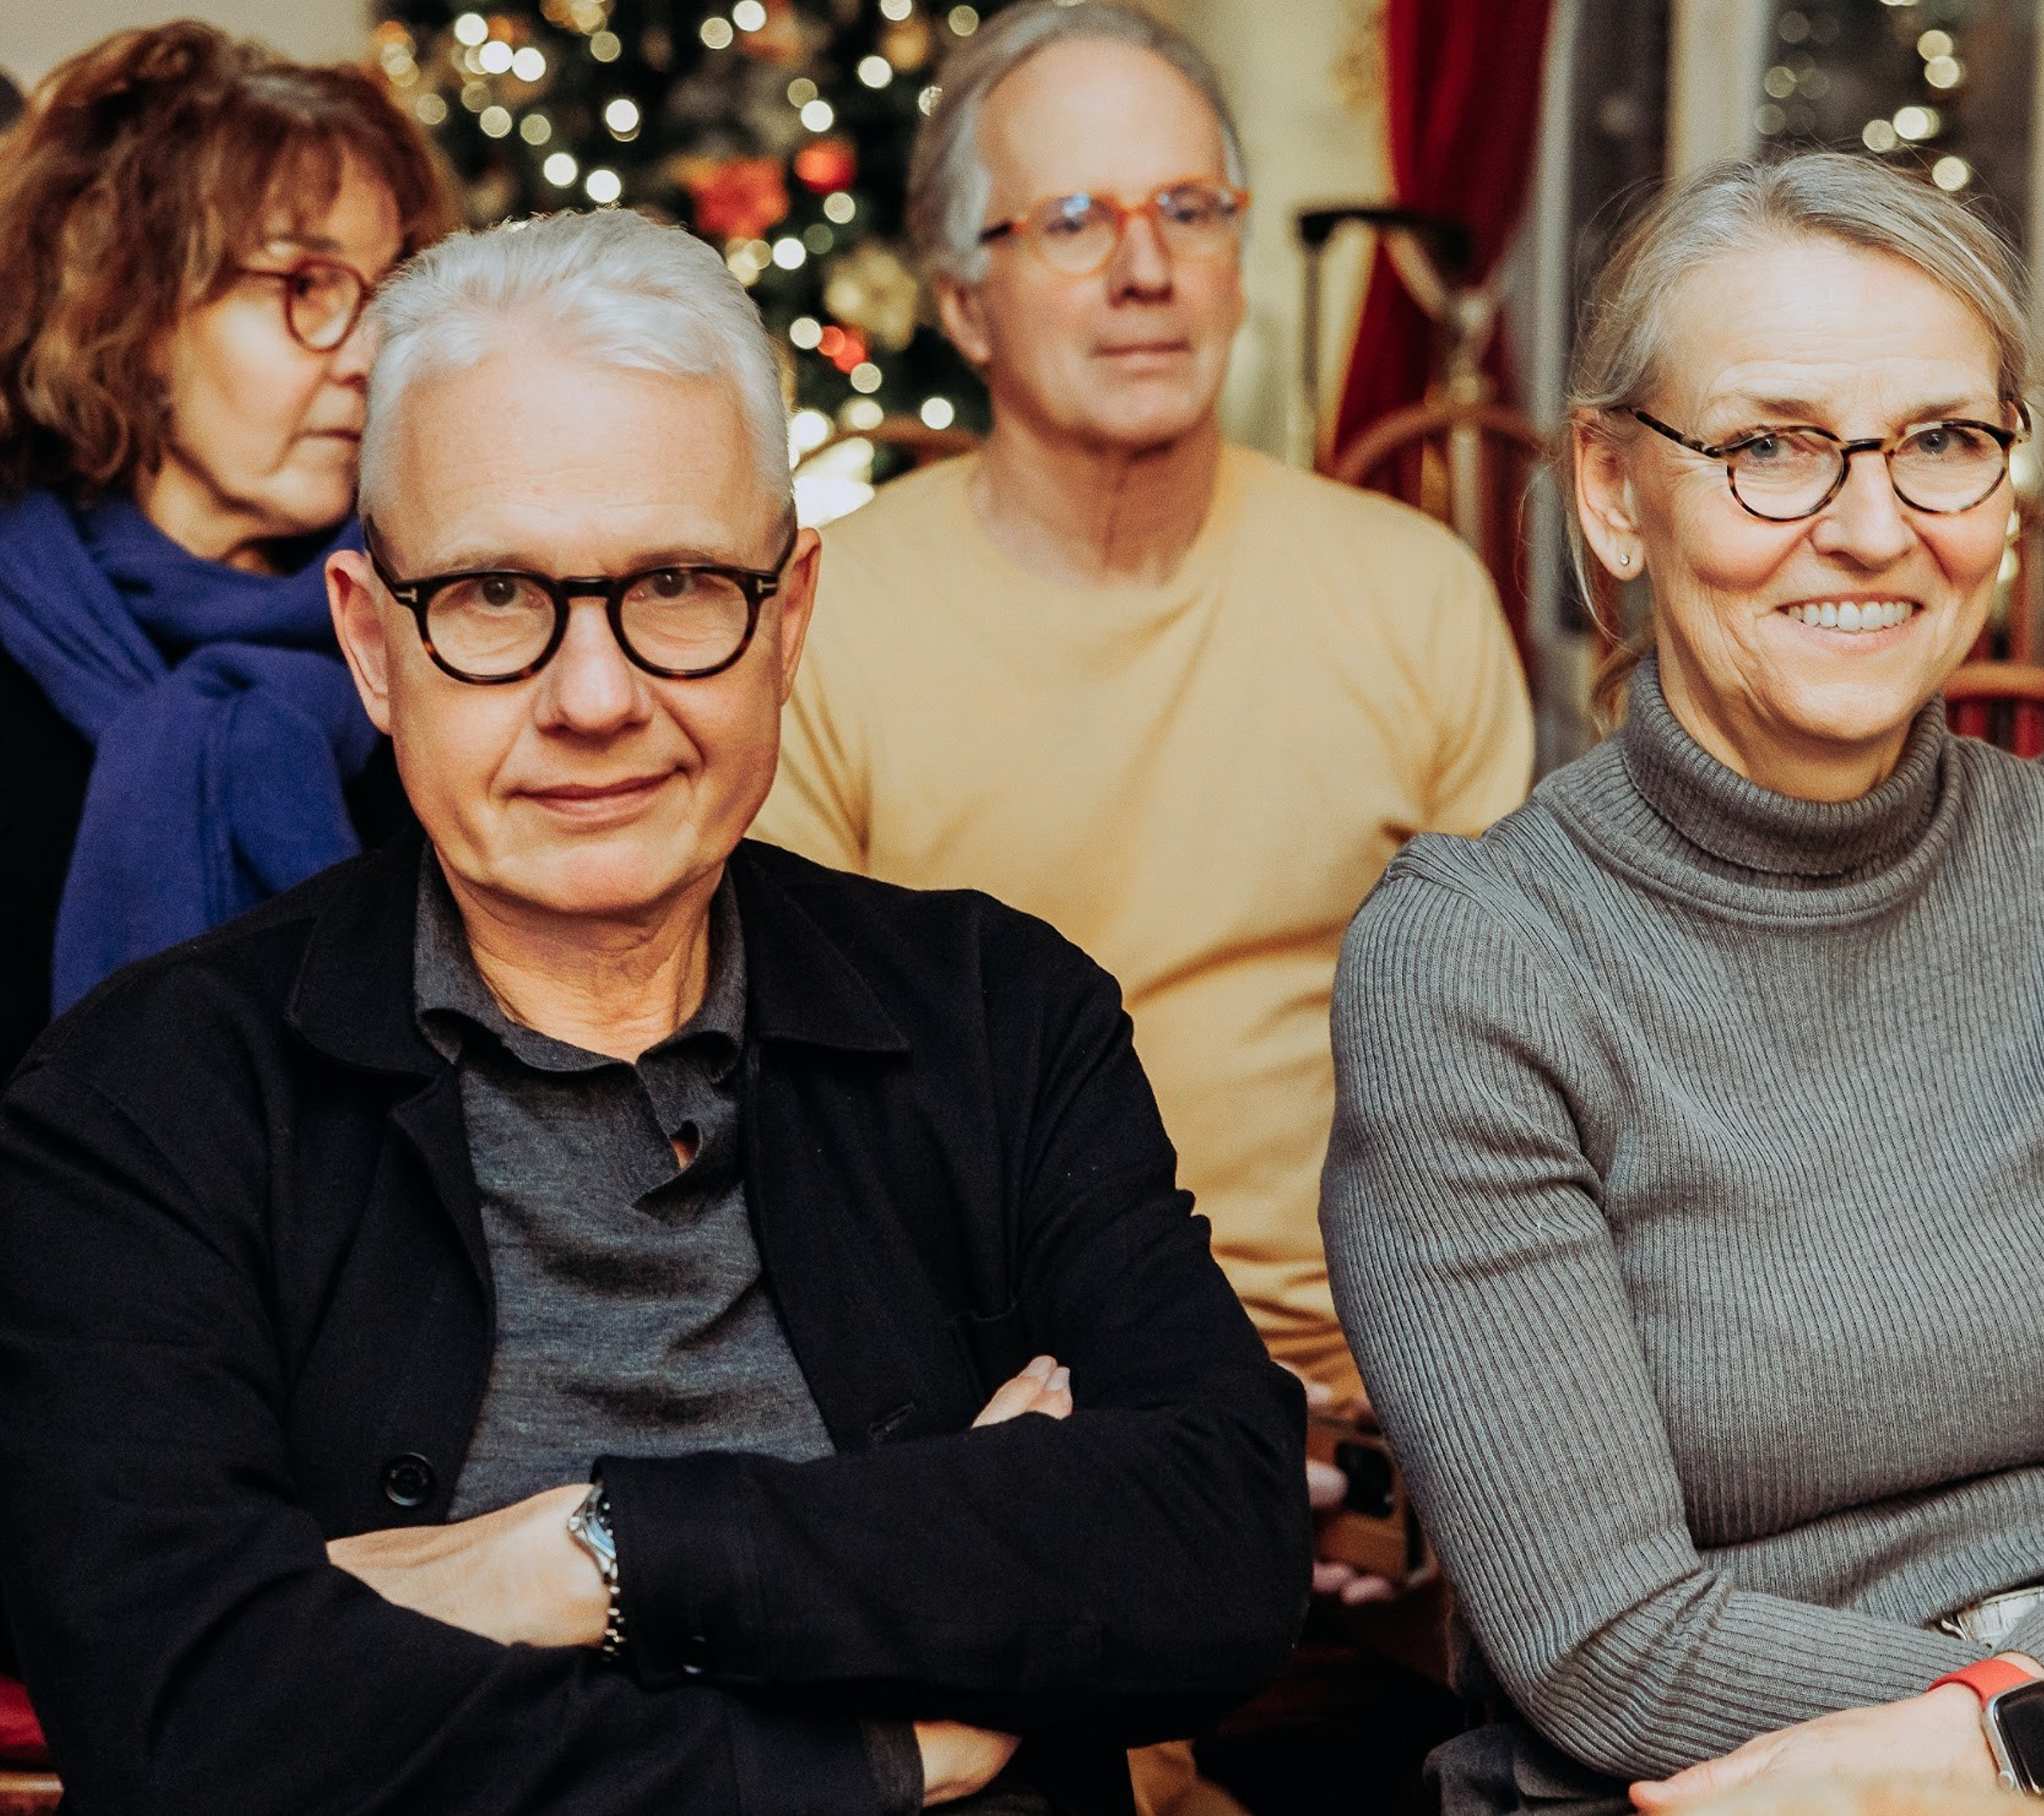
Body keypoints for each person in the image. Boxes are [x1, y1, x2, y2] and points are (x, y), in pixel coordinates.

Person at [0, 207, 1308, 1816]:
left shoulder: (997, 1012)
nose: (597, 695)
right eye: (490, 594)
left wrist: (586, 1548)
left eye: (677, 581)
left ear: (790, 612)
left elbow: (1213, 1547)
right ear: (370, 641)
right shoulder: (144, 1096)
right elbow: (195, 1724)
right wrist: (876, 1731)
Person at [753, 0, 1531, 1639]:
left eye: (1188, 209)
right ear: (961, 294)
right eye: (1072, 220)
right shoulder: (824, 630)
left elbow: (1511, 1095)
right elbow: (804, 1142)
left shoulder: (1414, 595)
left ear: (1238, 256)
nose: (1144, 267)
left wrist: (1415, 1460)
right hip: (1000, 1424)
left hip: (1394, 1423)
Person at [1321, 150, 2044, 1816]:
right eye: (1769, 448)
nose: (1871, 527)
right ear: (1606, 489)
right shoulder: (1476, 961)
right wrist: (2005, 1733)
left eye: (1941, 440)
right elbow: (1604, 1641)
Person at [0, 18, 453, 1080]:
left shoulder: (437, 645)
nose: (369, 356)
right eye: (305, 286)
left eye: (392, 292)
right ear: (130, 310)